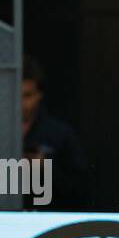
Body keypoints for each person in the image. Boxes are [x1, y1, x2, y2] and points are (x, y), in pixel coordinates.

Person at [21, 54, 88, 209]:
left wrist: (46, 167)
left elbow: (81, 188)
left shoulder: (60, 135)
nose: (21, 103)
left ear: (39, 95)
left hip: (47, 218)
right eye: (15, 95)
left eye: (27, 96)